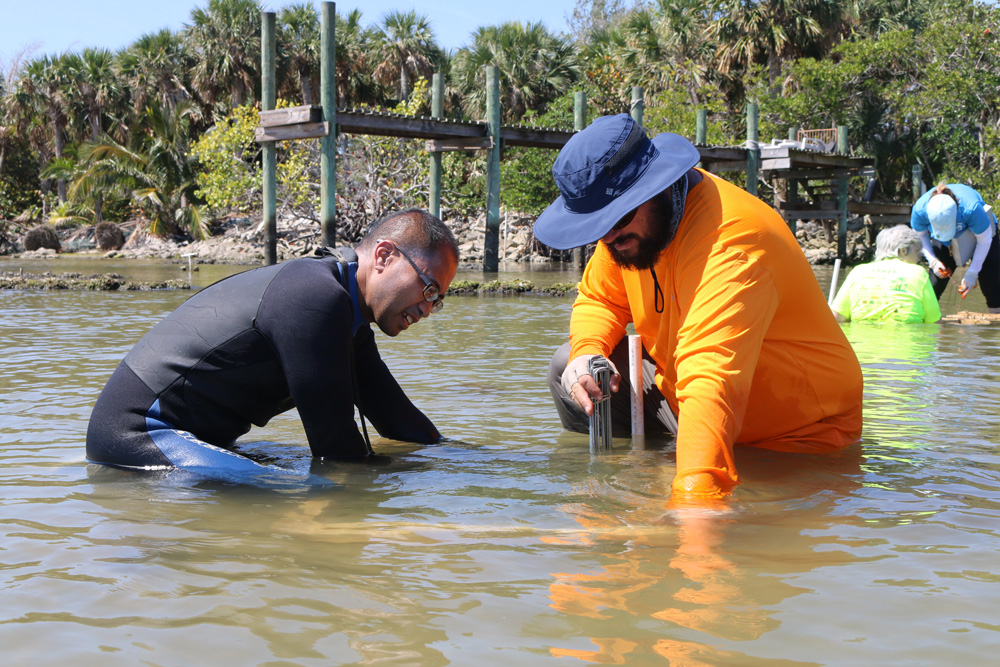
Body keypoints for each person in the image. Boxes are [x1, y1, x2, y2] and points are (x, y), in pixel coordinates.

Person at [534, 114, 863, 503]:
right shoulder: (626, 234)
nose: (608, 237)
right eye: (596, 227)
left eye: (618, 218)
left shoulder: (732, 242)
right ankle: (637, 471)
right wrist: (588, 349)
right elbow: (600, 298)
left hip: (795, 435)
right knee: (568, 366)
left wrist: (694, 513)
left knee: (704, 508)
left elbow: (711, 382)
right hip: (685, 391)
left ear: (657, 186)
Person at [87, 208, 458, 480]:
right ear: (384, 256)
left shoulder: (347, 316)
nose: (428, 308)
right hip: (137, 435)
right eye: (428, 288)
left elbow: (400, 422)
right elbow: (337, 450)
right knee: (284, 492)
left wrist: (472, 465)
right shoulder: (315, 297)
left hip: (184, 438)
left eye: (437, 300)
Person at [910, 181, 1000, 313]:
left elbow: (984, 240)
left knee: (992, 285)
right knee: (934, 284)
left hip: (982, 236)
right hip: (944, 241)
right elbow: (920, 236)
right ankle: (926, 324)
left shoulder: (971, 209)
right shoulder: (919, 210)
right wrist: (933, 261)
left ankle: (995, 327)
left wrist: (972, 273)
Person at [831, 224, 941, 323]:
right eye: (917, 252)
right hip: (906, 344)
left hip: (862, 344)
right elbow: (934, 322)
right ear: (903, 251)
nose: (918, 258)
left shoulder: (857, 271)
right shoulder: (918, 273)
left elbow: (837, 317)